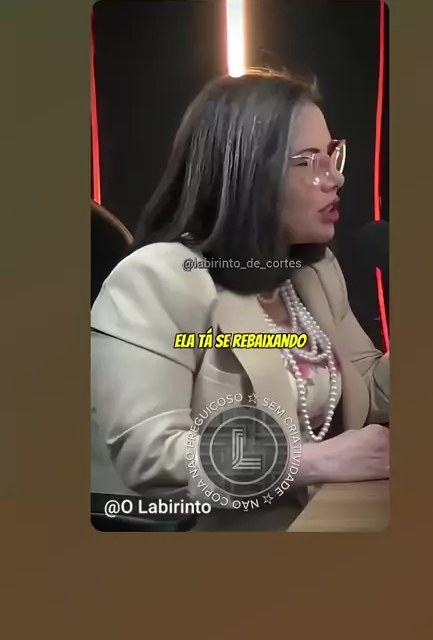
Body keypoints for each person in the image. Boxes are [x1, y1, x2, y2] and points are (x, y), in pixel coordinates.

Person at [91, 69, 389, 531]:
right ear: (248, 173)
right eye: (310, 162)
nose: (336, 177)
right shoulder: (156, 278)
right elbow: (151, 455)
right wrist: (315, 461)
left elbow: (366, 392)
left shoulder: (313, 272)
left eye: (333, 155)